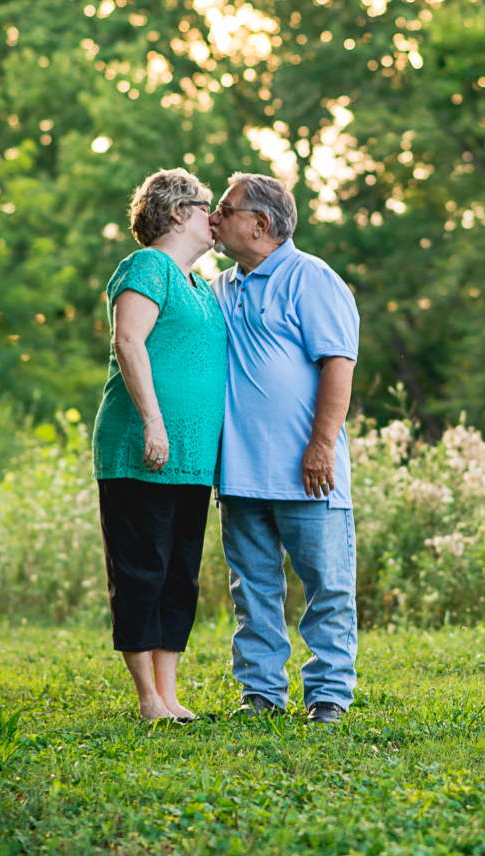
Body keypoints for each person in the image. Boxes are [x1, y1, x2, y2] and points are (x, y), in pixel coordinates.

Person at [207, 173, 360, 724]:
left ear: (261, 223)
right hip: (241, 471)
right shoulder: (222, 286)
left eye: (225, 209)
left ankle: (328, 698)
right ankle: (262, 696)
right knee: (253, 594)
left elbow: (339, 363)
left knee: (328, 591)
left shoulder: (311, 277)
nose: (215, 217)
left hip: (308, 472)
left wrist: (321, 446)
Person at [92, 168, 227, 720]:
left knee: (179, 575)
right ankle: (147, 698)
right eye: (206, 205)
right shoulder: (149, 267)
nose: (214, 216)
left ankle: (170, 694)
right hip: (141, 447)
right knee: (142, 570)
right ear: (178, 212)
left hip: (192, 459)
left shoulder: (198, 283)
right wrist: (153, 421)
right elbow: (129, 340)